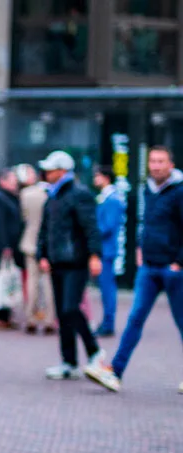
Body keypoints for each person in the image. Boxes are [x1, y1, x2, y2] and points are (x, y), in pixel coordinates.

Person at [85, 146, 183, 393]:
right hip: (148, 266)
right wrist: (140, 248)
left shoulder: (179, 191)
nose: (156, 166)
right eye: (152, 161)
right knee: (134, 319)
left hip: (173, 269)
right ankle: (115, 372)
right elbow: (145, 221)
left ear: (171, 164)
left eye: (161, 161)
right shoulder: (147, 189)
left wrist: (178, 263)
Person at [36, 150, 105, 380]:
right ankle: (69, 361)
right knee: (62, 314)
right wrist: (42, 254)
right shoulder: (52, 196)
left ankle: (94, 351)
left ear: (62, 171)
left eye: (50, 169)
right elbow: (45, 229)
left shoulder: (79, 194)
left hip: (76, 262)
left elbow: (90, 227)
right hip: (57, 262)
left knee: (70, 308)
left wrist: (95, 255)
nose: (46, 172)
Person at [17, 163, 57, 334]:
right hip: (49, 242)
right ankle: (49, 319)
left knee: (32, 282)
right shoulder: (52, 194)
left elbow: (24, 217)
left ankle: (30, 318)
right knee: (48, 283)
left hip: (30, 241)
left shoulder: (26, 194)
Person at [0, 168, 25, 329]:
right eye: (11, 179)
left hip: (13, 245)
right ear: (3, 181)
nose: (15, 182)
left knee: (9, 280)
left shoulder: (11, 198)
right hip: (5, 246)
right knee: (1, 279)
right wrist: (4, 247)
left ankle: (5, 314)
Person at [91, 165, 126, 336]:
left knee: (107, 288)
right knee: (105, 287)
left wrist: (91, 231)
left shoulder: (111, 199)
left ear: (105, 177)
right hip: (105, 249)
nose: (94, 179)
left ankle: (108, 323)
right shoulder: (107, 197)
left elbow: (108, 226)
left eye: (97, 176)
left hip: (106, 250)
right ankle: (106, 322)